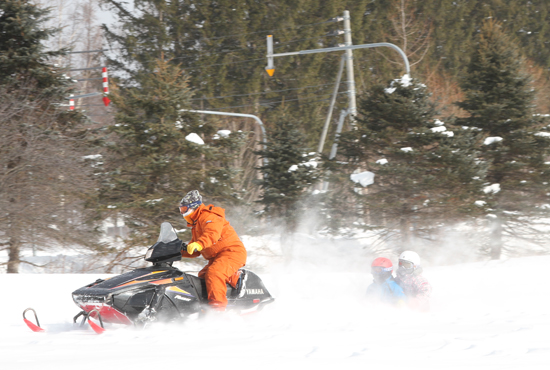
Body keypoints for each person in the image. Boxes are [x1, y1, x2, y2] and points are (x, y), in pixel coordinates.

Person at [179, 190, 247, 311]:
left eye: (184, 209)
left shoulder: (210, 216)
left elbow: (211, 235)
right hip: (217, 257)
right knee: (202, 277)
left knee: (215, 273)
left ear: (193, 207)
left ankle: (217, 310)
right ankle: (204, 307)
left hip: (232, 252)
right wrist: (177, 251)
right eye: (181, 210)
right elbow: (194, 250)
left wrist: (199, 244)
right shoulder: (196, 224)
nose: (182, 213)